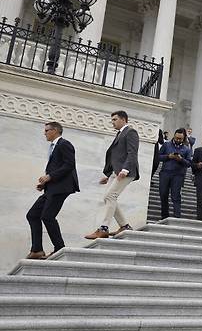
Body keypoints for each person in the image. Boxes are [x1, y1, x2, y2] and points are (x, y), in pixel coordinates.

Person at [26, 122, 79, 259]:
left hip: (61, 188)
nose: (45, 133)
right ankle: (37, 249)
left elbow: (69, 165)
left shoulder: (64, 144)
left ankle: (60, 248)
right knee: (32, 215)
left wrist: (50, 176)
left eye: (47, 130)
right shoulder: (54, 147)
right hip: (51, 188)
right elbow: (58, 167)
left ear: (55, 130)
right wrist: (45, 183)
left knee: (47, 216)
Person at [84, 111, 139, 239]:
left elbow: (132, 153)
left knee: (110, 196)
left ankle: (103, 228)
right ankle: (124, 226)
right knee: (108, 197)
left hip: (126, 171)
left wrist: (125, 170)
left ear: (124, 119)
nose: (112, 122)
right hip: (116, 172)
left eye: (115, 119)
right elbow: (116, 156)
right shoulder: (120, 134)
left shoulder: (130, 132)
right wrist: (109, 175)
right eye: (112, 120)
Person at [157, 128, 192, 219]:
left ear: (183, 139)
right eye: (176, 138)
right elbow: (158, 157)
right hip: (165, 173)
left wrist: (181, 159)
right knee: (163, 194)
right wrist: (168, 156)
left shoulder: (187, 149)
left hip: (178, 175)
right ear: (174, 136)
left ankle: (177, 216)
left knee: (175, 196)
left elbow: (189, 163)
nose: (177, 140)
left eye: (180, 139)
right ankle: (164, 216)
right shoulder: (166, 145)